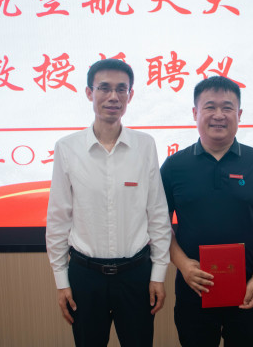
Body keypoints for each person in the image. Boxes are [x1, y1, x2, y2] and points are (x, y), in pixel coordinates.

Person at [46, 58, 172, 347]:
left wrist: (158, 274)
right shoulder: (67, 148)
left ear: (130, 95)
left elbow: (157, 214)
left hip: (136, 275)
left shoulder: (145, 145)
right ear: (89, 93)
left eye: (121, 89)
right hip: (85, 276)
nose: (113, 96)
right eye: (104, 88)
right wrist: (61, 281)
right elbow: (58, 219)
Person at [160, 76, 253, 347]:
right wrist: (183, 265)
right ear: (195, 113)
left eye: (227, 107)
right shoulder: (173, 166)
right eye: (210, 107)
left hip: (248, 288)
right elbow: (159, 225)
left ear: (239, 114)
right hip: (194, 288)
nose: (219, 115)